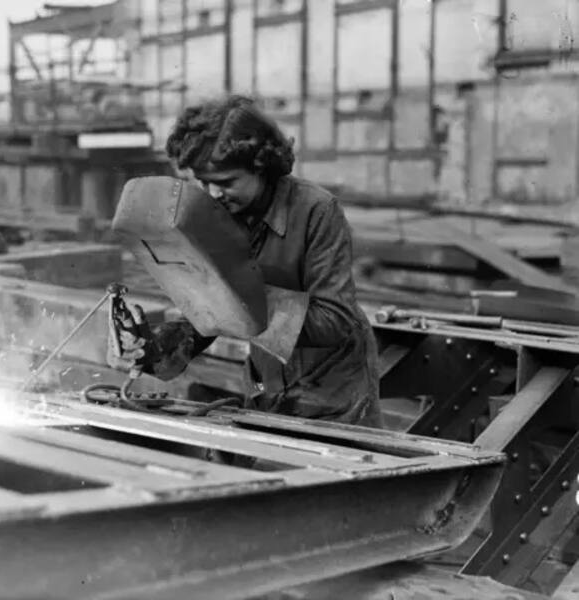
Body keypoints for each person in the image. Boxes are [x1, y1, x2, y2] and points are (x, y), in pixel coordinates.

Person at [109, 95, 382, 427]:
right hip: (266, 382)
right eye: (203, 182)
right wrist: (164, 343)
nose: (212, 194)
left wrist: (239, 295)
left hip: (334, 393)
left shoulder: (317, 211)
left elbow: (335, 319)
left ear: (261, 166)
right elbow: (216, 311)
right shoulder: (218, 212)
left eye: (226, 182)